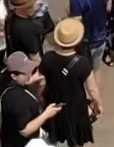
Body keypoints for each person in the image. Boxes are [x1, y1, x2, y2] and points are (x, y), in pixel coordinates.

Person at [42, 17, 100, 145]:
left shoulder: (47, 58)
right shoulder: (82, 63)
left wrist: (39, 96)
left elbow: (43, 81)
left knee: (56, 133)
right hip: (76, 105)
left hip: (54, 101)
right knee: (76, 137)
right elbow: (92, 88)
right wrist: (98, 103)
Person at [0, 52, 57, 147]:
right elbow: (25, 131)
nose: (30, 74)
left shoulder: (6, 83)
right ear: (14, 76)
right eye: (26, 72)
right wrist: (47, 114)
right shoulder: (18, 100)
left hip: (8, 136)